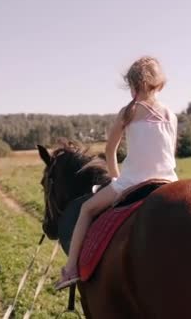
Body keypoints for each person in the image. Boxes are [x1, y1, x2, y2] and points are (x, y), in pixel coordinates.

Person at [55, 56, 179, 290]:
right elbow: (169, 155)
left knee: (86, 209)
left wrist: (115, 177)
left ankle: (70, 269)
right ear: (159, 84)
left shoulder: (129, 111)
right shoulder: (171, 115)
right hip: (169, 181)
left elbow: (110, 150)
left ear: (132, 85)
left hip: (134, 181)